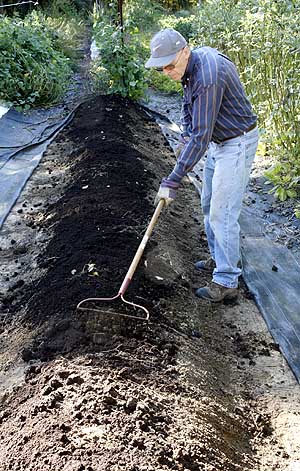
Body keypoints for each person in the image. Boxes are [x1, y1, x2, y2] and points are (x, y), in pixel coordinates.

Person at [145, 28, 259, 303]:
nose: (167, 72)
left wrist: (173, 179)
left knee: (223, 213)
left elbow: (201, 136)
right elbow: (189, 109)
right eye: (161, 68)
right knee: (208, 204)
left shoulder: (207, 77)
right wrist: (184, 134)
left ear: (185, 51)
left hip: (236, 142)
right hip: (221, 142)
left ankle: (227, 280)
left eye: (170, 65)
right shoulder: (191, 68)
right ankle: (219, 257)